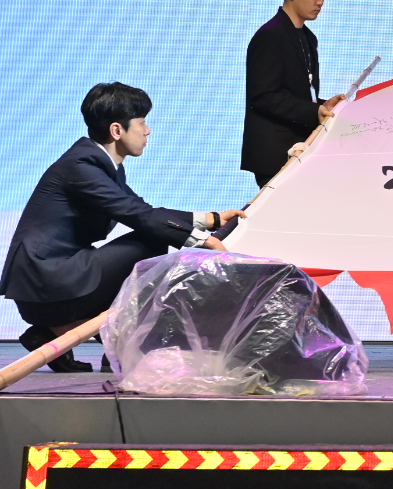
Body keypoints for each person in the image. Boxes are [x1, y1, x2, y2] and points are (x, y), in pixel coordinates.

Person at [3, 84, 244, 372]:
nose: (148, 131)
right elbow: (139, 215)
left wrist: (212, 219)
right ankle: (112, 344)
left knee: (152, 236)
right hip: (47, 284)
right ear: (117, 130)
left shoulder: (99, 164)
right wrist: (203, 241)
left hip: (54, 280)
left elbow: (142, 209)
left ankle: (51, 334)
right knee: (150, 241)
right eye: (142, 123)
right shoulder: (82, 166)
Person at [242, 0, 344, 187]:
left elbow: (301, 94)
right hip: (276, 153)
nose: (320, 2)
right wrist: (314, 111)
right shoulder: (270, 36)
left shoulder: (308, 38)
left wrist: (325, 105)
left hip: (302, 149)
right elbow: (264, 96)